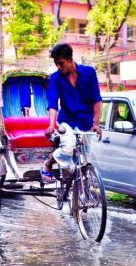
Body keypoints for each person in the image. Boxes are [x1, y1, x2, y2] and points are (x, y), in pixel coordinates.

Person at [41, 43, 102, 182]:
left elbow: (97, 100)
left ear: (70, 59)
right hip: (67, 121)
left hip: (85, 122)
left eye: (61, 63)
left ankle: (81, 193)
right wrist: (51, 125)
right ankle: (48, 164)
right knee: (68, 148)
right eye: (56, 63)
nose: (58, 67)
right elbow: (53, 103)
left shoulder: (89, 73)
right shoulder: (56, 78)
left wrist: (96, 124)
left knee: (85, 162)